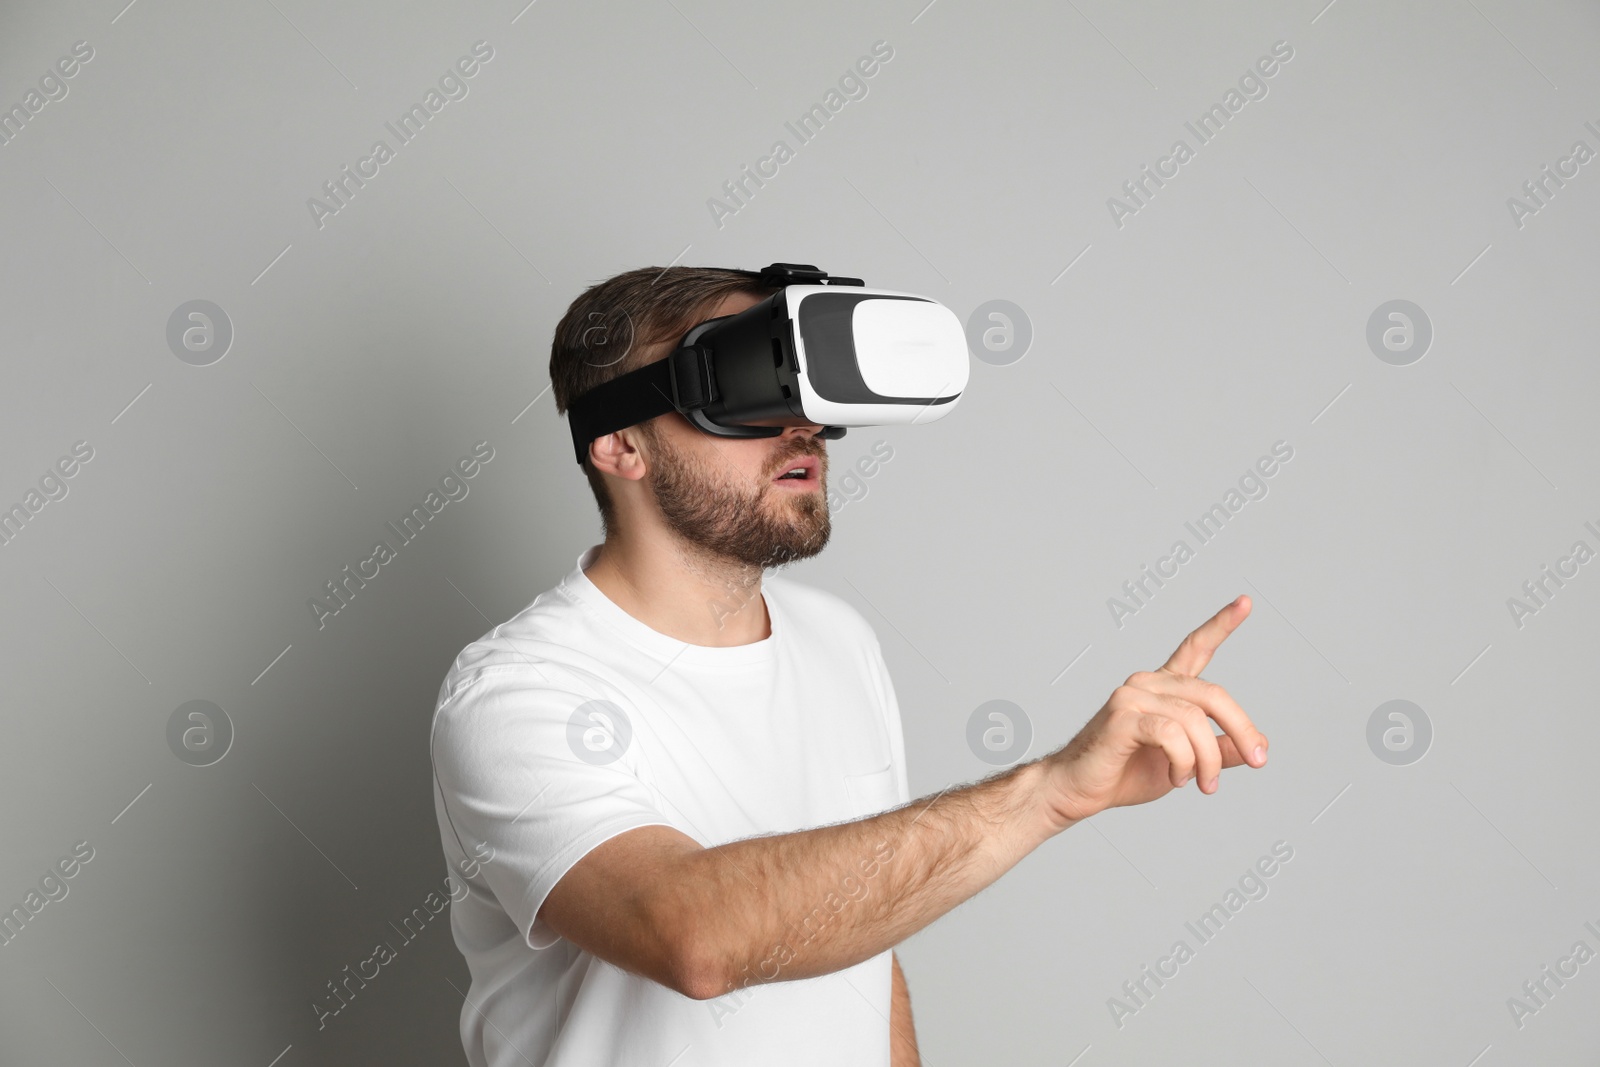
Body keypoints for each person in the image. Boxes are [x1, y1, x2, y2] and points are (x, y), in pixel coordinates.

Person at [429, 265, 1271, 1067]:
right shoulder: (518, 691)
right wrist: (1047, 791)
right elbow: (693, 936)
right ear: (620, 444)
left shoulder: (838, 640)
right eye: (748, 385)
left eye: (801, 387)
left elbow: (864, 936)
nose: (801, 427)